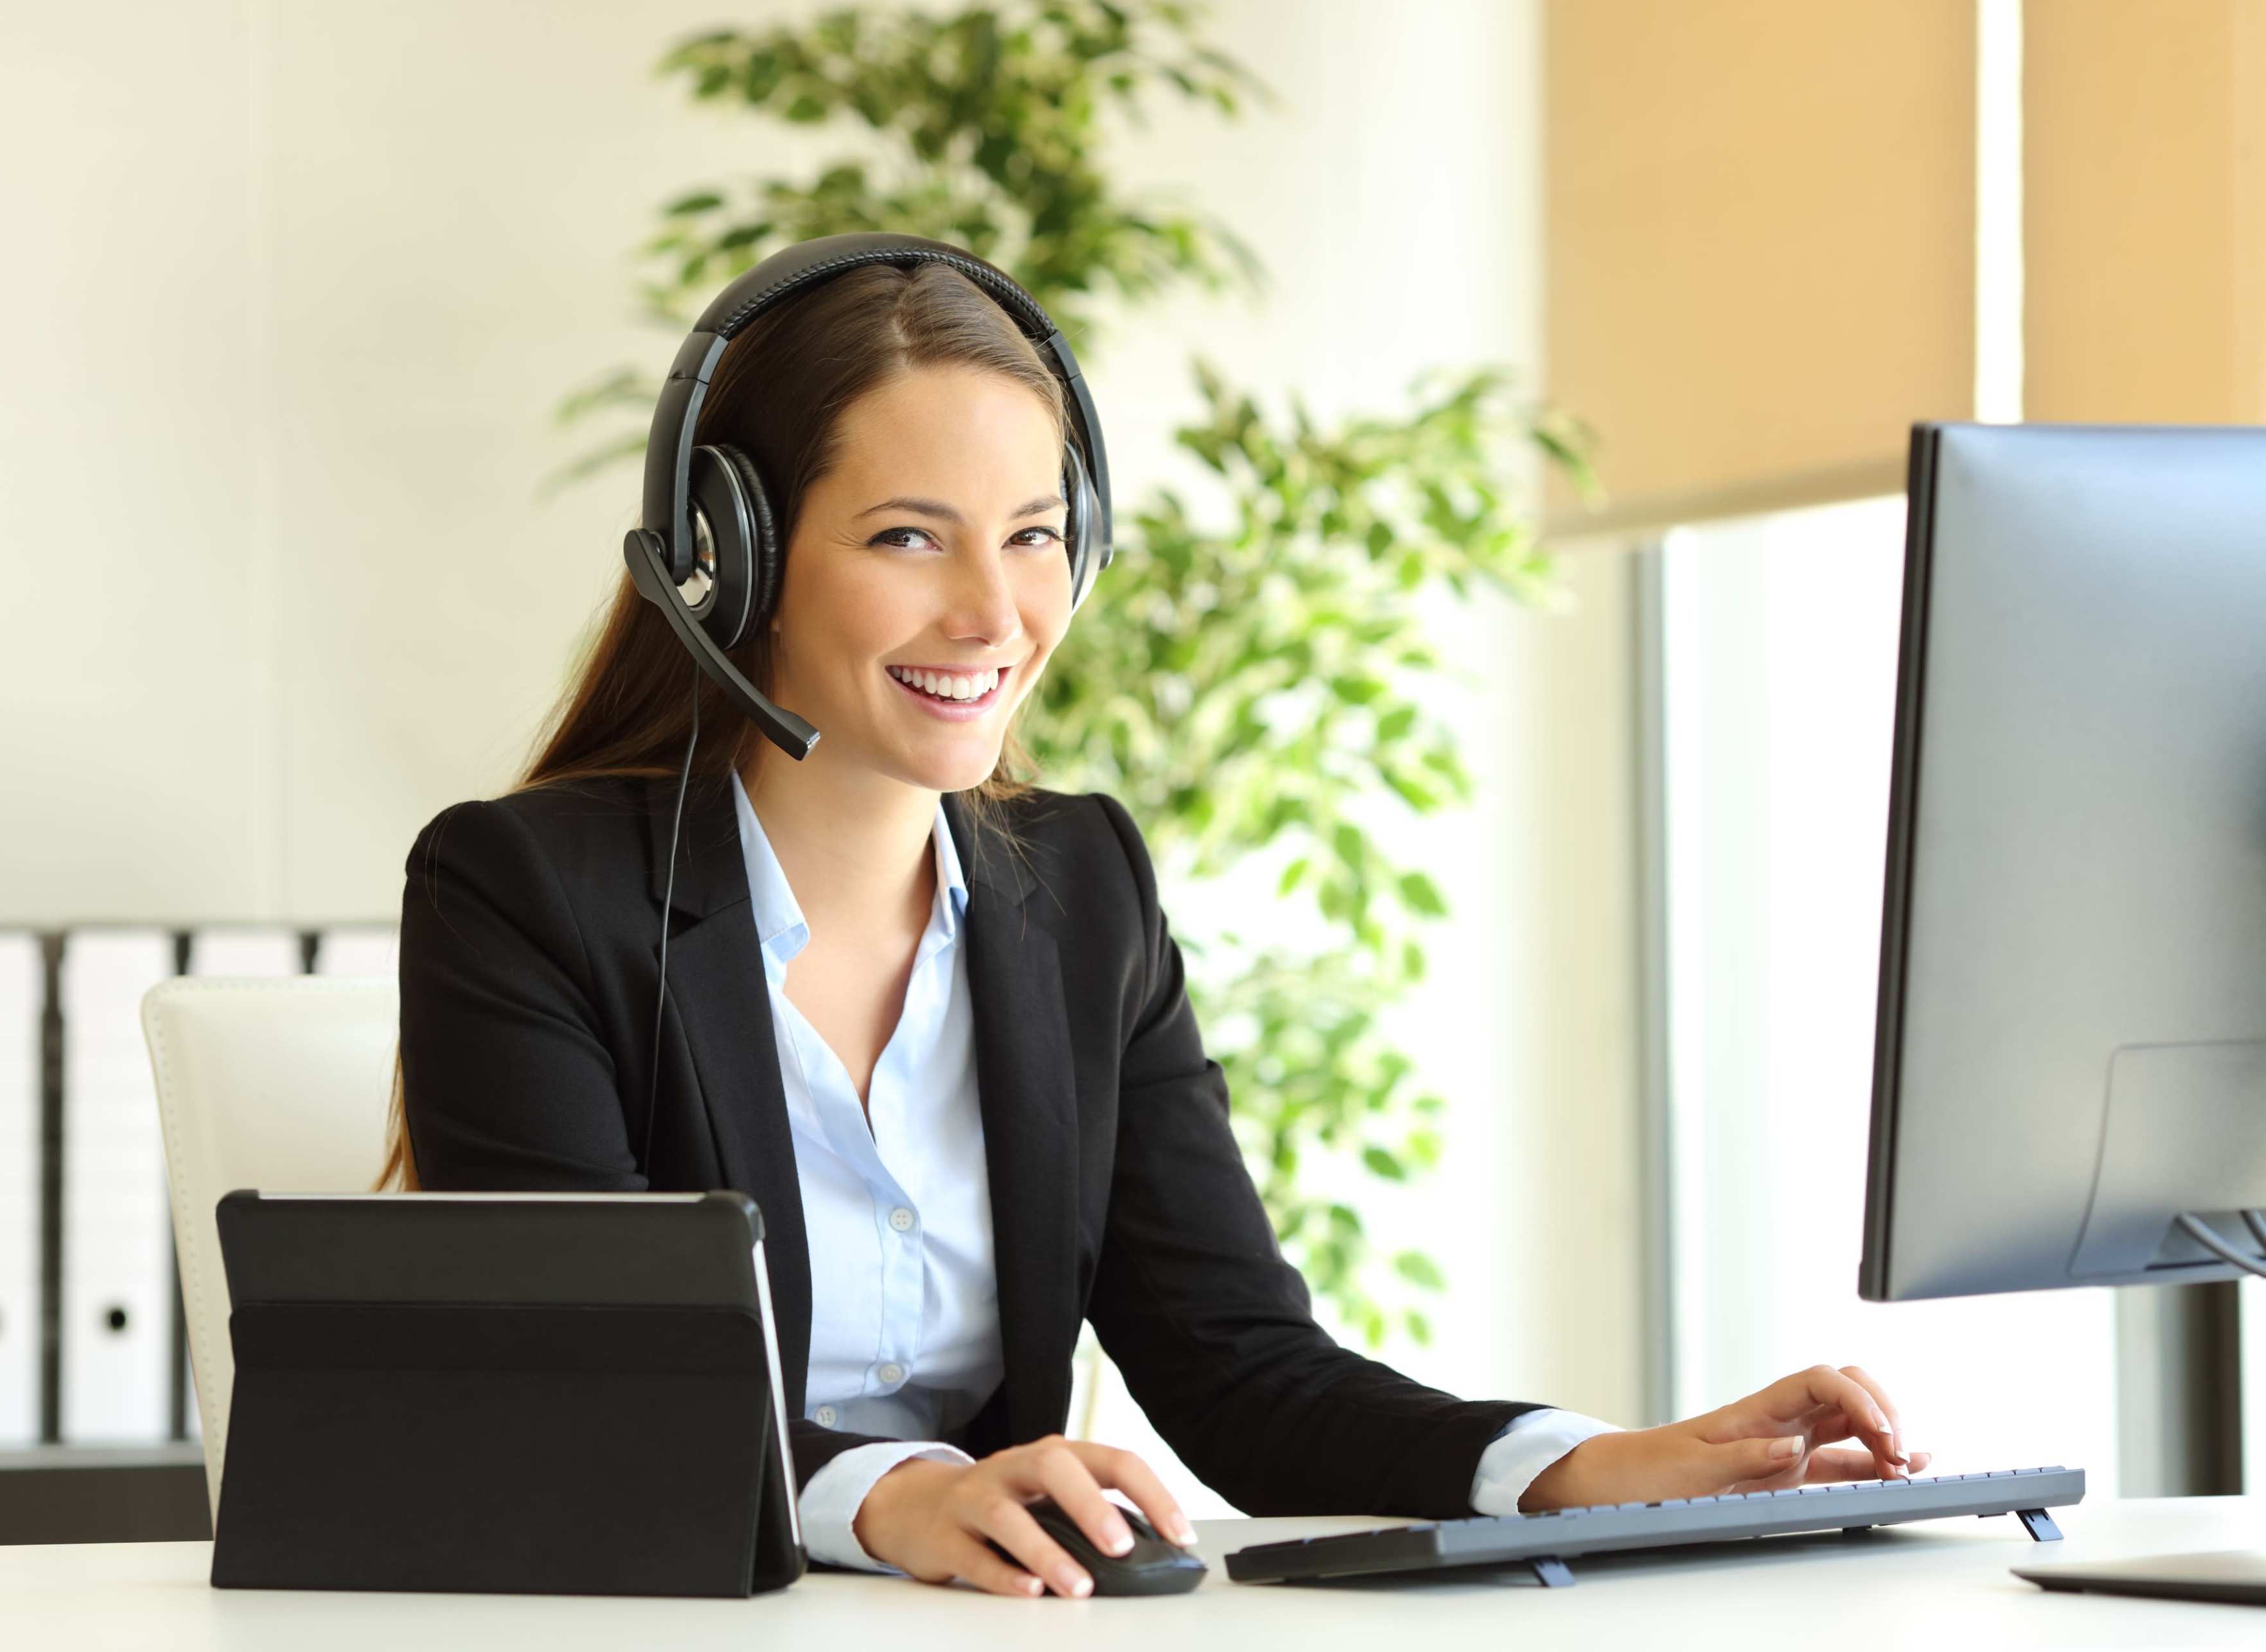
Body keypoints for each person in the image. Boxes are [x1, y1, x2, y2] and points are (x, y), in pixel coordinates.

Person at [378, 250, 1931, 1601]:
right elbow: (593, 1394)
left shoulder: (1081, 892)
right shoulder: (527, 894)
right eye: (910, 537)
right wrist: (903, 1495)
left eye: (1037, 534)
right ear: (740, 560)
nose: (995, 614)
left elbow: (1241, 1366)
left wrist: (1592, 1464)